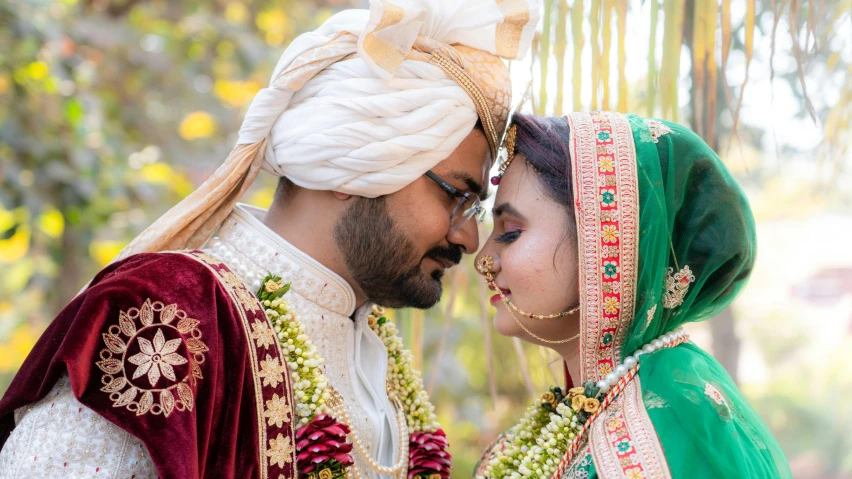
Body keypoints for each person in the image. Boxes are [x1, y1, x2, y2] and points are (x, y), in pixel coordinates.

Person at [0, 1, 539, 478]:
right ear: (354, 169)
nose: (469, 236)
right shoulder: (165, 314)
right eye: (456, 196)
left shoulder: (375, 351)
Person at [473, 112, 792, 478]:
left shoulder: (674, 433)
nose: (483, 259)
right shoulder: (582, 410)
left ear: (606, 243)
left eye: (511, 232)